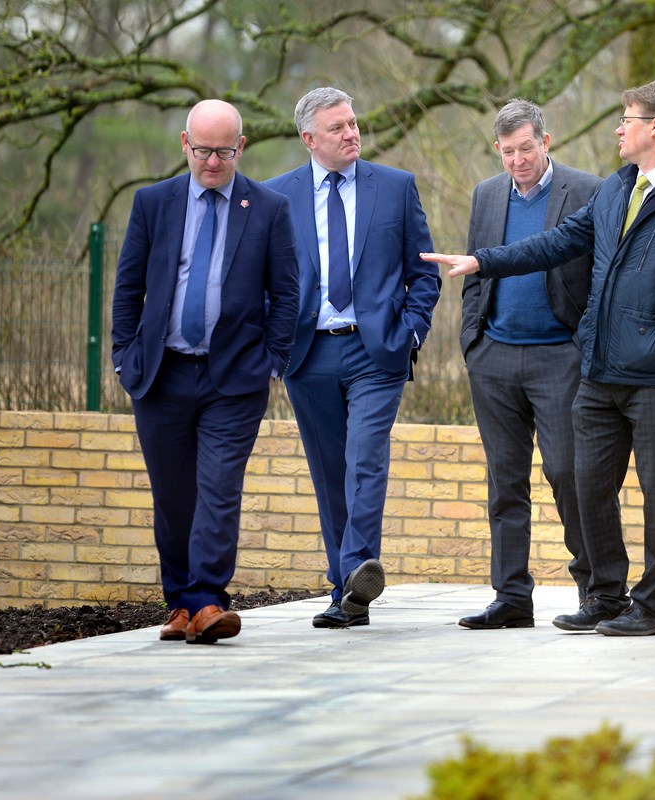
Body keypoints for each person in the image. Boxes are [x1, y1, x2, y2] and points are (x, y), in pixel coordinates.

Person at [423, 79, 655, 637]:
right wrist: (484, 261)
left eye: (628, 118)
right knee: (588, 484)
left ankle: (653, 608)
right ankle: (606, 597)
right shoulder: (616, 189)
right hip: (600, 373)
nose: (619, 127)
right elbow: (558, 242)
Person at [111, 99, 299, 644]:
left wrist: (273, 361)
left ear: (240, 147)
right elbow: (128, 287)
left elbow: (285, 293)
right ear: (184, 145)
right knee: (173, 497)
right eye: (202, 150)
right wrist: (125, 356)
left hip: (234, 379)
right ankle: (180, 605)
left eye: (223, 151)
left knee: (218, 490)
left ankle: (207, 601)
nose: (212, 162)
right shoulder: (153, 203)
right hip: (161, 374)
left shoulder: (267, 208)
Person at [266, 87, 441, 629]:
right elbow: (262, 283)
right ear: (309, 139)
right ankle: (348, 592)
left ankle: (355, 568)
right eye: (338, 128)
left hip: (376, 350)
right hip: (309, 353)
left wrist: (410, 332)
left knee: (365, 456)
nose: (351, 133)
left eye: (354, 123)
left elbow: (425, 274)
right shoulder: (276, 197)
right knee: (328, 471)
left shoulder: (394, 187)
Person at [456, 100, 603, 630]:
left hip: (560, 358)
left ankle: (596, 591)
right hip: (494, 358)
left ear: (547, 141)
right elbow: (476, 272)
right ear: (498, 149)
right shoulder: (486, 194)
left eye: (526, 148)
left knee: (569, 472)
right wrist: (473, 343)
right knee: (505, 482)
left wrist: (584, 346)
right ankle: (511, 597)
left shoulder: (586, 191)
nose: (518, 160)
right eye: (508, 151)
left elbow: (600, 274)